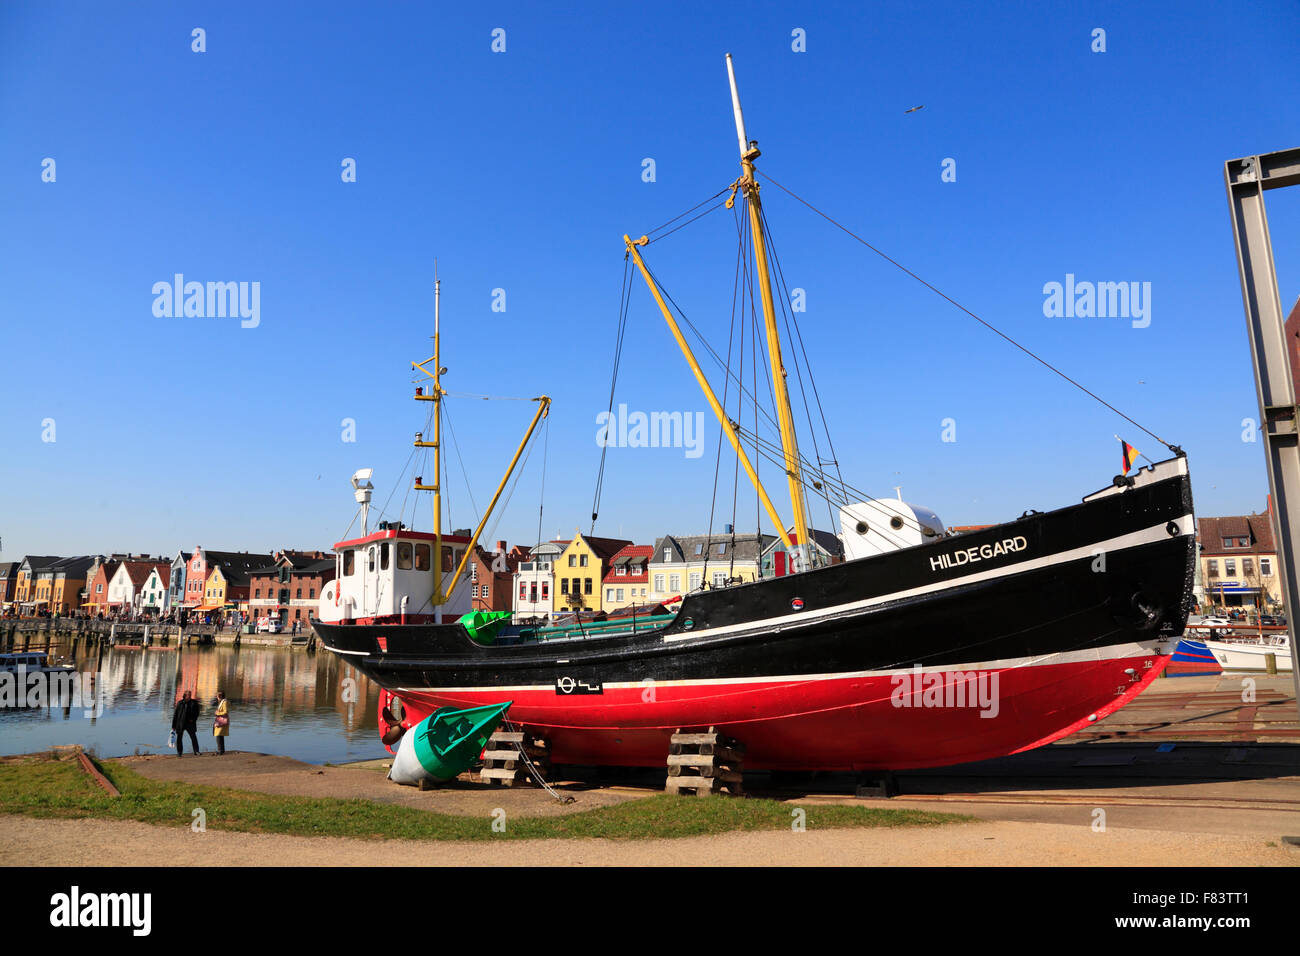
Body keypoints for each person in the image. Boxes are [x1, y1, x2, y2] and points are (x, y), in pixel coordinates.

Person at [171, 690, 200, 757]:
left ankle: (196, 751)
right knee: (179, 738)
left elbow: (197, 713)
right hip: (180, 723)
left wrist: (193, 720)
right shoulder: (180, 703)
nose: (190, 696)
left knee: (193, 737)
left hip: (190, 723)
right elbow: (175, 714)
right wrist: (173, 726)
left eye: (190, 694)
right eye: (188, 695)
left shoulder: (194, 703)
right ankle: (179, 752)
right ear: (185, 695)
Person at [213, 691, 230, 755]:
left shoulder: (224, 702)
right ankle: (221, 750)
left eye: (217, 696)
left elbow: (225, 712)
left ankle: (220, 750)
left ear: (219, 696)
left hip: (222, 721)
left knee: (218, 735)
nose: (216, 697)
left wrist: (218, 713)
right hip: (220, 720)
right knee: (220, 735)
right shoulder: (222, 702)